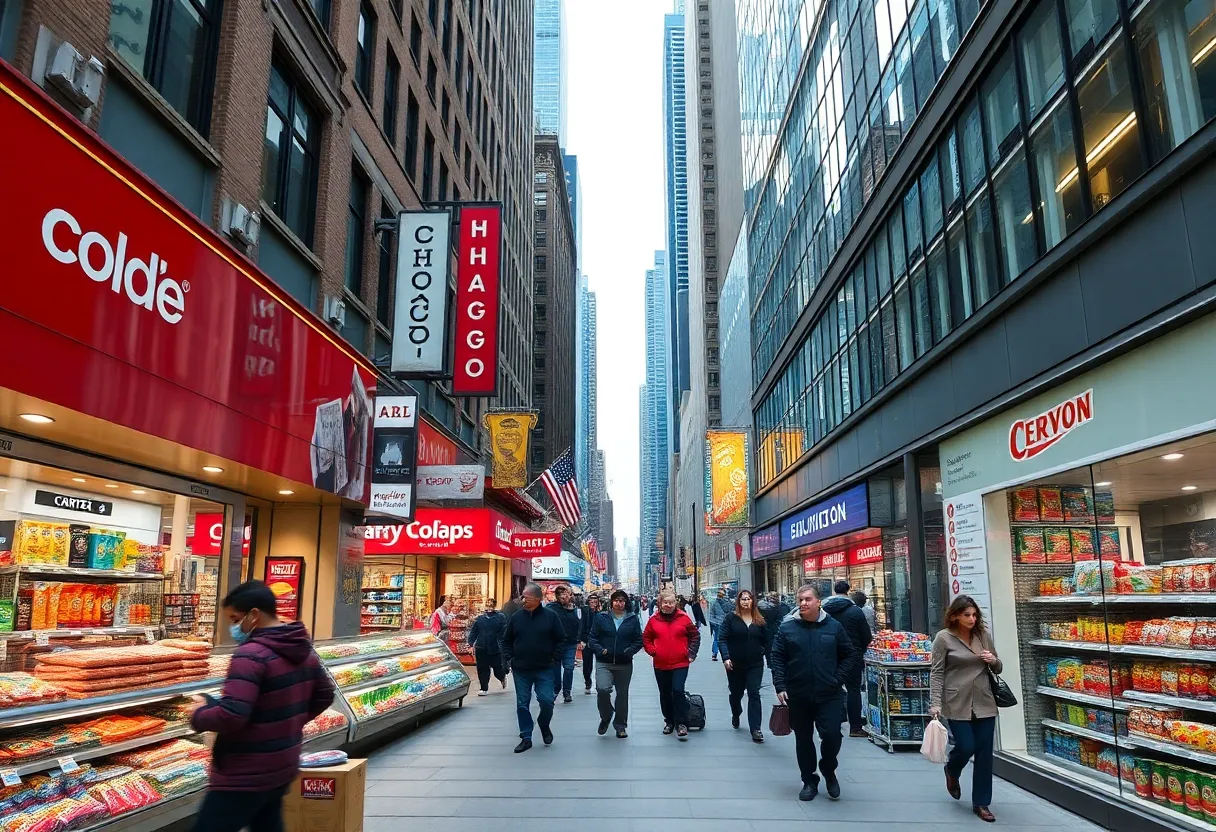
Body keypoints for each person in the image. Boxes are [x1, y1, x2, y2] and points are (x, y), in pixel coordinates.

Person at [190, 580, 334, 831]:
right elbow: (324, 695)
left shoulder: (250, 654)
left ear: (254, 615)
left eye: (235, 619)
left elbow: (232, 715)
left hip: (245, 772)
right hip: (282, 764)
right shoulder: (302, 648)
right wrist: (286, 724)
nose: (233, 627)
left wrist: (199, 713)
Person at [770, 584, 857, 802]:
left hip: (829, 693)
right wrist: (780, 685)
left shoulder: (833, 626)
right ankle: (809, 780)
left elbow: (849, 654)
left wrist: (837, 679)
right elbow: (777, 656)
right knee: (803, 739)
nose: (803, 603)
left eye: (808, 599)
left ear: (818, 602)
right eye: (800, 599)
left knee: (832, 735)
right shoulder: (787, 627)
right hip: (798, 693)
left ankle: (828, 768)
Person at [930, 595, 1002, 823]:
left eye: (974, 615)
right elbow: (937, 672)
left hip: (984, 701)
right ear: (955, 616)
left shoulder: (983, 636)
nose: (972, 619)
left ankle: (981, 803)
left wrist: (992, 660)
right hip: (956, 701)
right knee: (966, 745)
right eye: (967, 615)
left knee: (984, 754)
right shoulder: (943, 638)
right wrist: (935, 703)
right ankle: (952, 769)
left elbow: (998, 667)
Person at [502, 583, 565, 752]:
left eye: (527, 597)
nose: (523, 600)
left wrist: (554, 658)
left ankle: (544, 724)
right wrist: (509, 658)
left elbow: (560, 639)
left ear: (538, 599)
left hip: (544, 668)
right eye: (523, 597)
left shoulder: (550, 616)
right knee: (522, 703)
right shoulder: (516, 617)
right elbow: (506, 640)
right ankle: (526, 736)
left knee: (547, 701)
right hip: (521, 668)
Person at [642, 590, 701, 740]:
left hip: (680, 662)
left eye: (671, 602)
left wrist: (691, 653)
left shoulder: (683, 618)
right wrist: (652, 651)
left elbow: (695, 636)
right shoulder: (653, 620)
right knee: (665, 693)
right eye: (665, 602)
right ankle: (669, 721)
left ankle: (681, 723)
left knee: (678, 690)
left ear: (676, 603)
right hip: (660, 664)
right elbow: (646, 638)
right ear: (660, 603)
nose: (668, 605)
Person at [588, 589, 644, 738]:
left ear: (626, 602)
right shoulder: (601, 617)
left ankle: (620, 725)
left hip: (624, 663)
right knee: (602, 689)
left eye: (622, 600)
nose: (619, 603)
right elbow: (592, 638)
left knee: (622, 695)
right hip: (604, 661)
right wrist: (601, 650)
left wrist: (629, 651)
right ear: (611, 602)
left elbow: (639, 640)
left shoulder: (632, 619)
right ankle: (606, 715)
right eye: (617, 600)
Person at [822, 580, 874, 738]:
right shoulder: (856, 611)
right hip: (852, 655)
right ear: (848, 591)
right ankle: (855, 727)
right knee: (853, 690)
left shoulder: (824, 610)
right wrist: (860, 649)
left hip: (829, 655)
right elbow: (866, 636)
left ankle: (833, 723)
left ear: (834, 591)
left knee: (832, 689)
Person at [718, 589, 768, 742]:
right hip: (735, 664)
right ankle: (736, 712)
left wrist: (765, 654)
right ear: (738, 602)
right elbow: (722, 639)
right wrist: (726, 658)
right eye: (743, 599)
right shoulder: (731, 618)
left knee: (754, 693)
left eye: (748, 599)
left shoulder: (759, 620)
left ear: (753, 601)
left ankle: (756, 729)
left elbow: (767, 641)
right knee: (736, 693)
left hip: (755, 664)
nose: (746, 601)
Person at [547, 584, 582, 703]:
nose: (564, 597)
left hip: (570, 643)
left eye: (566, 594)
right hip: (555, 644)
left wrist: (579, 639)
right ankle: (556, 689)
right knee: (555, 669)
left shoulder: (575, 609)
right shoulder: (551, 608)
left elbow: (579, 625)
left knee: (569, 668)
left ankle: (567, 691)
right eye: (561, 595)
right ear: (557, 596)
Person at [467, 598, 507, 695]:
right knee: (482, 668)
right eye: (488, 604)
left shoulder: (500, 617)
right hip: (481, 647)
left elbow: (504, 631)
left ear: (494, 605)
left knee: (497, 668)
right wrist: (471, 644)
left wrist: (504, 643)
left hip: (495, 647)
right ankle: (483, 688)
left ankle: (502, 677)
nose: (489, 606)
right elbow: (474, 632)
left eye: (491, 604)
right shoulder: (480, 618)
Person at [578, 594, 603, 694]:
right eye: (591, 602)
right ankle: (587, 681)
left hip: (598, 642)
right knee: (587, 664)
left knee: (600, 664)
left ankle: (600, 683)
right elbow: (581, 626)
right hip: (586, 641)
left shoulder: (601, 613)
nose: (593, 604)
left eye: (595, 602)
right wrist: (580, 640)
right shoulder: (584, 611)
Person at [708, 587, 733, 661]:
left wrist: (712, 623)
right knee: (727, 638)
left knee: (716, 638)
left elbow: (711, 613)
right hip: (725, 622)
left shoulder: (713, 603)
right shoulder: (727, 602)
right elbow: (730, 610)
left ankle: (714, 654)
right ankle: (727, 653)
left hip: (716, 623)